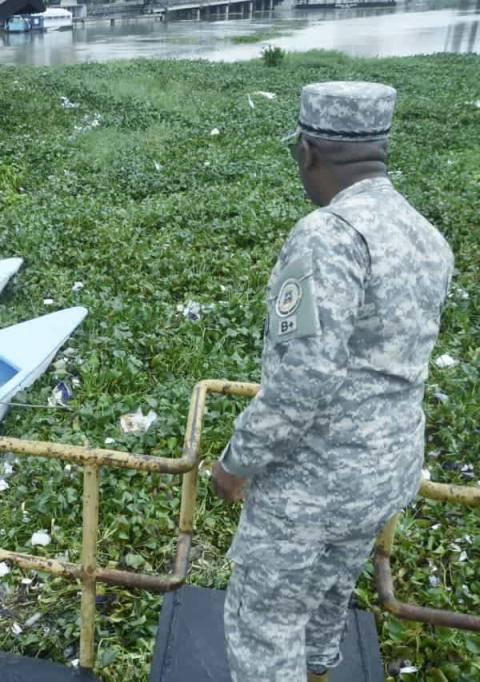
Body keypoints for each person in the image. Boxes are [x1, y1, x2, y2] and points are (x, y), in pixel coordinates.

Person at [211, 82, 454, 682]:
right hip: (383, 476)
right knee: (326, 602)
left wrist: (235, 462)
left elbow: (304, 379)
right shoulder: (425, 234)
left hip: (312, 488)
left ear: (308, 151)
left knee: (263, 627)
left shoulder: (329, 235)